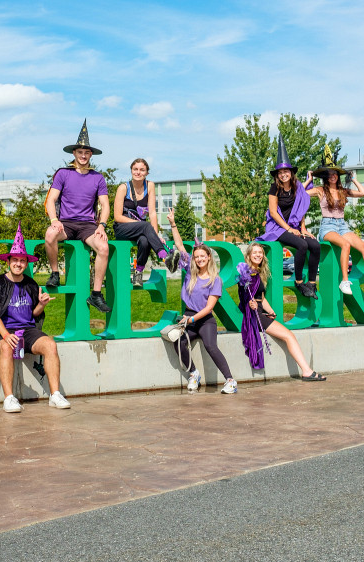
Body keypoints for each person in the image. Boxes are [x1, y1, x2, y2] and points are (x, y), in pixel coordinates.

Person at [0, 222, 70, 413]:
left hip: (27, 330)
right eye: (15, 260)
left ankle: (55, 395)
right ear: (8, 261)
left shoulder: (30, 284)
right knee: (6, 348)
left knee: (50, 345)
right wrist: (6, 335)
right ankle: (9, 398)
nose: (18, 264)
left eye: (22, 261)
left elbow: (32, 315)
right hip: (3, 330)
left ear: (26, 263)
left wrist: (41, 305)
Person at [166, 207, 238, 395]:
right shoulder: (190, 272)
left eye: (202, 256)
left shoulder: (216, 280)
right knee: (178, 342)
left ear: (208, 258)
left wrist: (190, 320)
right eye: (196, 257)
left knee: (210, 345)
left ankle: (230, 380)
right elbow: (180, 246)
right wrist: (173, 223)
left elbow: (209, 308)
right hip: (189, 316)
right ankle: (194, 374)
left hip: (205, 320)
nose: (199, 259)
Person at [43, 119, 112, 312]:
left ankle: (96, 294)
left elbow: (105, 205)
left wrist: (102, 225)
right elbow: (51, 200)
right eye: (80, 152)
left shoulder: (98, 177)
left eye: (86, 152)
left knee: (103, 247)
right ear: (74, 153)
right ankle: (55, 273)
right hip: (65, 223)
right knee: (49, 235)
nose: (83, 155)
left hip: (88, 226)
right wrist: (54, 220)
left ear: (91, 155)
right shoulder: (63, 174)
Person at [305, 146, 364, 295]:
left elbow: (363, 192)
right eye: (329, 174)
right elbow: (301, 194)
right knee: (345, 245)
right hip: (327, 226)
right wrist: (309, 179)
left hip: (342, 225)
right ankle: (344, 281)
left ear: (338, 175)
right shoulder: (320, 190)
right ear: (325, 177)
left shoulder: (343, 191)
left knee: (363, 247)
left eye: (335, 173)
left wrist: (353, 179)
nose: (332, 176)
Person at [238, 242, 325, 381]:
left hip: (260, 312)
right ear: (248, 255)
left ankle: (307, 370)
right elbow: (244, 297)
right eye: (254, 252)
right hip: (253, 315)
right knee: (289, 336)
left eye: (260, 252)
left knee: (288, 335)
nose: (258, 255)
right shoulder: (246, 275)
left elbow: (260, 297)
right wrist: (249, 303)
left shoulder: (258, 273)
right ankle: (306, 371)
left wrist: (270, 310)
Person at [255, 134, 320, 299]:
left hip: (294, 226)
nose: (283, 174)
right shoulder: (274, 188)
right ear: (277, 175)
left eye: (286, 171)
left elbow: (301, 208)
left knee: (315, 245)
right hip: (277, 227)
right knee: (302, 246)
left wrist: (303, 228)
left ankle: (311, 284)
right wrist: (290, 229)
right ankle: (299, 282)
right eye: (280, 172)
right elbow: (274, 213)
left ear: (291, 172)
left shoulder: (298, 187)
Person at [113, 158, 180, 286]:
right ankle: (165, 256)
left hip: (142, 229)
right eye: (135, 169)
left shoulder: (150, 186)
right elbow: (117, 216)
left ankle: (138, 274)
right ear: (131, 171)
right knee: (145, 226)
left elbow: (152, 213)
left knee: (145, 241)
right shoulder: (123, 188)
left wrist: (154, 236)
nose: (138, 172)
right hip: (122, 228)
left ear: (147, 173)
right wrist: (140, 225)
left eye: (142, 170)